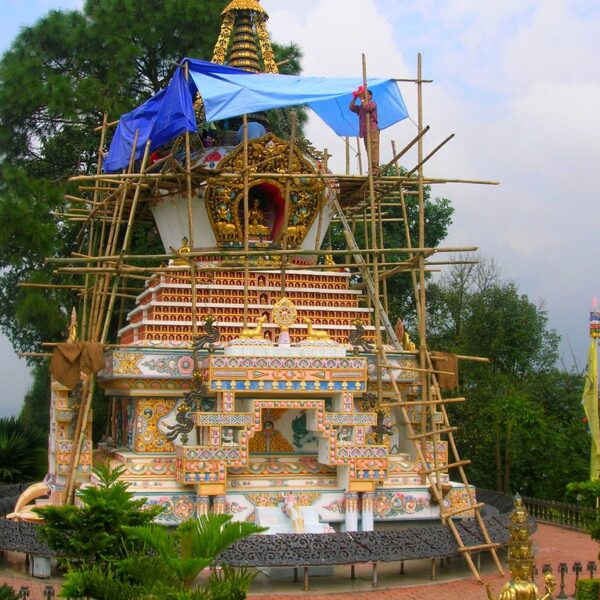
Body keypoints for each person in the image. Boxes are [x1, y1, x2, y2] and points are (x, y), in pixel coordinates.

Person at [349, 87, 380, 174]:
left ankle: (375, 170)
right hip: (365, 132)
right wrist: (355, 97)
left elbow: (367, 108)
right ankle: (372, 169)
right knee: (369, 150)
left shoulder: (372, 103)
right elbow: (351, 107)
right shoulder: (361, 107)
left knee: (373, 150)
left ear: (370, 96)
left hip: (372, 130)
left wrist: (362, 98)